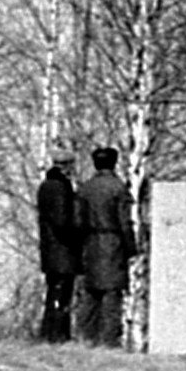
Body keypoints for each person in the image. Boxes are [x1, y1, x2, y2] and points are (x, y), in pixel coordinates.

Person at [75, 145, 134, 348]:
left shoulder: (85, 188)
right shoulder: (118, 188)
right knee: (111, 295)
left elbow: (78, 221)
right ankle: (109, 342)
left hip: (90, 245)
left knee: (91, 294)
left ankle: (86, 339)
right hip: (112, 244)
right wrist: (130, 247)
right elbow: (125, 222)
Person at [32, 149, 81, 342]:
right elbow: (62, 222)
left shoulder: (46, 185)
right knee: (61, 293)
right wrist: (76, 234)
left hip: (50, 248)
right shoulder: (60, 187)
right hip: (62, 249)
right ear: (67, 166)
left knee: (54, 290)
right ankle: (57, 335)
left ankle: (51, 334)